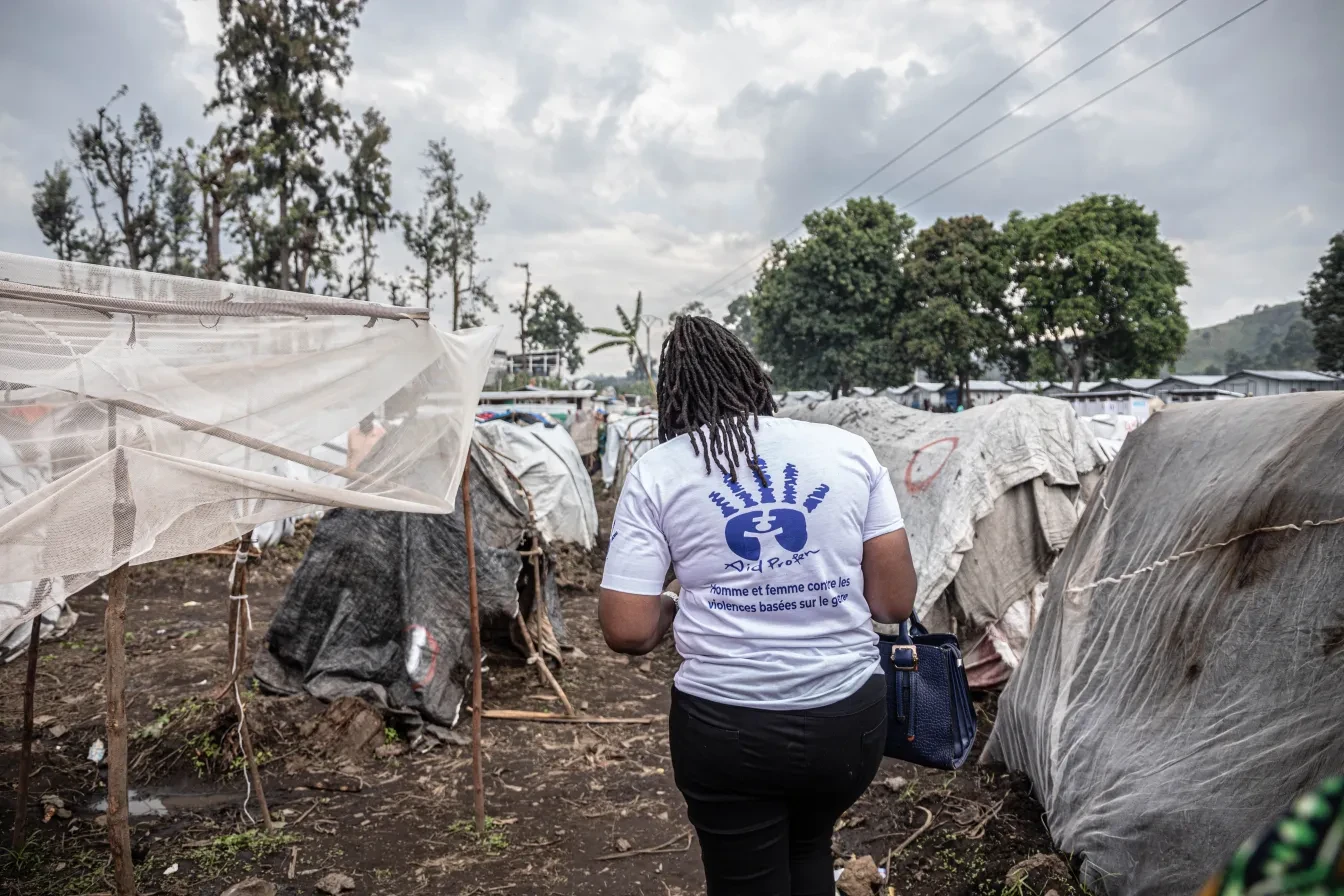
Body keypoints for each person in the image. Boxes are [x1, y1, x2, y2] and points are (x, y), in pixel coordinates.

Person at [599, 316, 918, 896]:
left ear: (673, 397)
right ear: (753, 378)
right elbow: (893, 602)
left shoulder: (659, 471)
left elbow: (627, 629)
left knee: (747, 877)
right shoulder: (849, 451)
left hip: (727, 731)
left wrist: (675, 596)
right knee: (810, 848)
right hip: (847, 722)